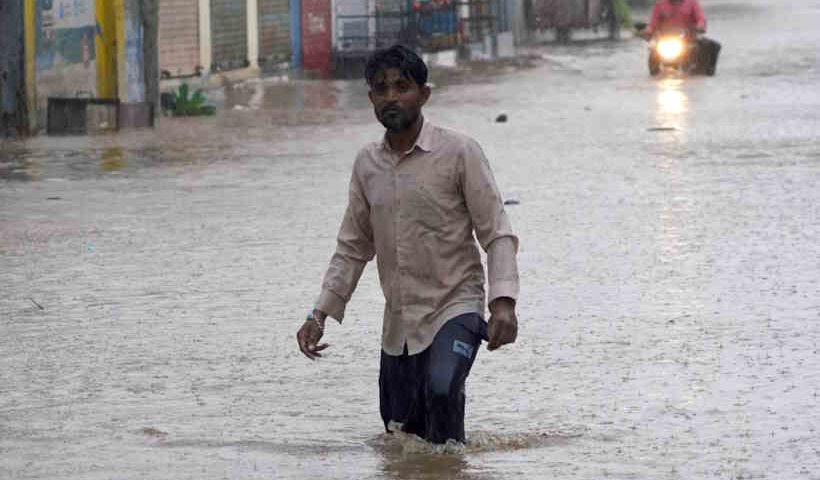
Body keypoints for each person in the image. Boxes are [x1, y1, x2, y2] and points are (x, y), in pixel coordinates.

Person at [296, 44, 520, 445]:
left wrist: (503, 301)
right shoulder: (368, 165)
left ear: (424, 94)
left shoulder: (459, 152)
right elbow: (352, 247)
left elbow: (496, 231)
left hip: (457, 306)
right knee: (402, 437)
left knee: (440, 390)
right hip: (399, 324)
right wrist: (320, 314)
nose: (391, 97)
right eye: (381, 89)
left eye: (402, 86)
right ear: (371, 100)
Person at [641, 0, 721, 75]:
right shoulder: (660, 5)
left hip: (686, 40)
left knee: (711, 46)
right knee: (653, 51)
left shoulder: (692, 3)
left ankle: (705, 70)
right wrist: (648, 31)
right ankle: (654, 72)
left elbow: (700, 19)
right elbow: (653, 23)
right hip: (664, 40)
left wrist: (700, 26)